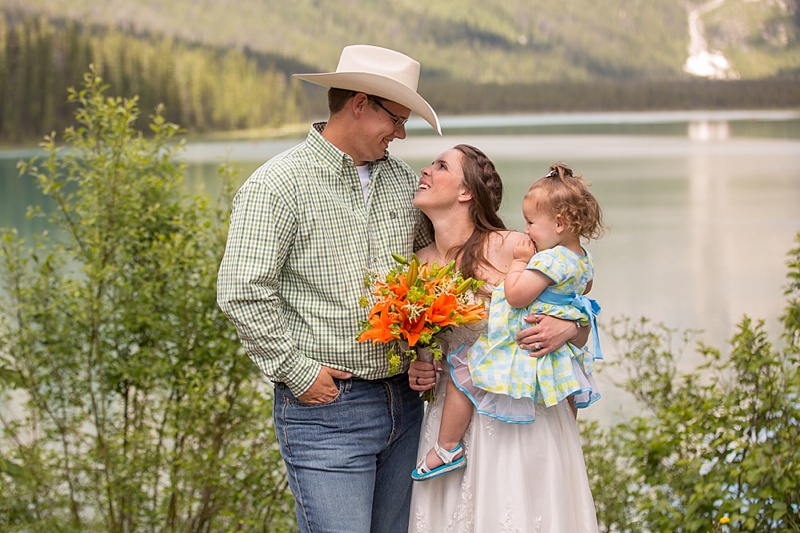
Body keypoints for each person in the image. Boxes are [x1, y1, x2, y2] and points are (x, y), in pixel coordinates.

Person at [217, 44, 441, 533]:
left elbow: (433, 274)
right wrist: (297, 372)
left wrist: (426, 349)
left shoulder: (404, 183)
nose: (402, 133)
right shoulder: (277, 184)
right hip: (328, 412)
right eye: (397, 119)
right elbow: (241, 290)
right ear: (360, 104)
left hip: (404, 405)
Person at [407, 147, 600, 532]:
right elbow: (425, 339)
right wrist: (420, 362)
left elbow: (575, 294)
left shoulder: (514, 245)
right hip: (453, 413)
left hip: (521, 412)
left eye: (441, 165)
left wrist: (571, 329)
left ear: (466, 193)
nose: (425, 169)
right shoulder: (418, 262)